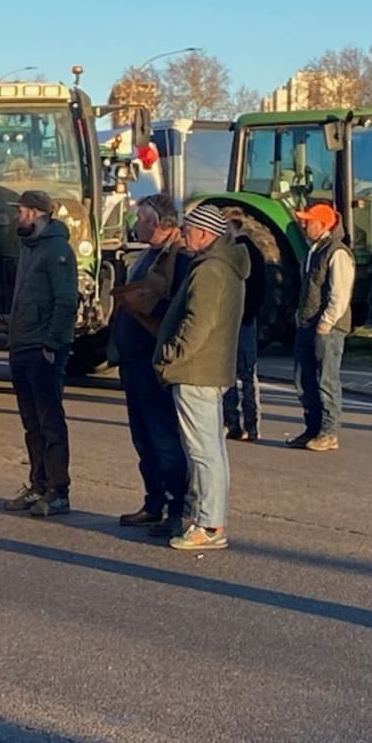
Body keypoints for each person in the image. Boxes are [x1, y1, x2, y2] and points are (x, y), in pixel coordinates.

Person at [155, 201, 248, 550]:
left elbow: (198, 322)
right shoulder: (226, 266)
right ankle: (211, 520)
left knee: (202, 451)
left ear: (206, 234)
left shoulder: (210, 270)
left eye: (189, 229)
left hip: (196, 370)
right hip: (211, 367)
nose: (184, 235)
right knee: (212, 449)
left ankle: (209, 525)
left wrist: (172, 354)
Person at [109, 194, 190, 532]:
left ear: (156, 223)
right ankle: (153, 500)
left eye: (140, 219)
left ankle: (177, 509)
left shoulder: (180, 258)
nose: (134, 224)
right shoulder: (146, 255)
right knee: (143, 437)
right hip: (132, 359)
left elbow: (178, 308)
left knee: (163, 436)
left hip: (153, 360)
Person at [1, 189, 79, 518]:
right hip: (22, 345)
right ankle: (38, 483)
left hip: (43, 350)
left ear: (35, 213)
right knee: (32, 424)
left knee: (50, 422)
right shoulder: (29, 248)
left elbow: (66, 301)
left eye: (20, 211)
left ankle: (58, 490)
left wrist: (52, 344)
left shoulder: (57, 250)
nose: (16, 216)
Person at [289, 202, 352, 452]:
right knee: (303, 379)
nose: (304, 225)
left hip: (326, 327)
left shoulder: (337, 252)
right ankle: (312, 428)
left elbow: (340, 291)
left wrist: (326, 322)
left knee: (326, 379)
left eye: (309, 221)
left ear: (324, 225)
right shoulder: (313, 250)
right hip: (307, 323)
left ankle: (328, 432)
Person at [222, 207, 268, 441]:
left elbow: (257, 287)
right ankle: (243, 425)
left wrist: (247, 313)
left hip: (239, 320)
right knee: (242, 374)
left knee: (240, 374)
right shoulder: (241, 251)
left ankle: (241, 424)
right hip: (241, 318)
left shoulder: (240, 252)